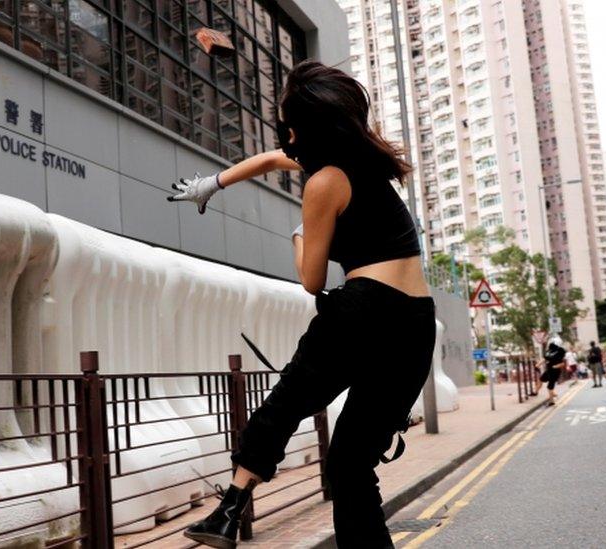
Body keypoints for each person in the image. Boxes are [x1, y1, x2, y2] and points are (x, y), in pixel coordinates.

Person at [167, 60, 436, 549]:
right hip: (416, 321)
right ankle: (229, 509)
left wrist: (301, 233)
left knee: (284, 403)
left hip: (364, 309)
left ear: (306, 128)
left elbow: (312, 280)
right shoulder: (367, 162)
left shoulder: (323, 182)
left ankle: (230, 509)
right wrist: (215, 183)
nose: (285, 133)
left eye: (288, 123)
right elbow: (271, 161)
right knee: (352, 464)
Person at [535, 337, 566, 406]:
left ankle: (552, 401)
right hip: (548, 370)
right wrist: (538, 365)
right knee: (541, 379)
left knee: (550, 386)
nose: (550, 344)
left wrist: (555, 366)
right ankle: (535, 392)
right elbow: (544, 358)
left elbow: (562, 363)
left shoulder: (560, 352)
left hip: (555, 371)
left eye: (552, 343)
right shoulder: (550, 351)